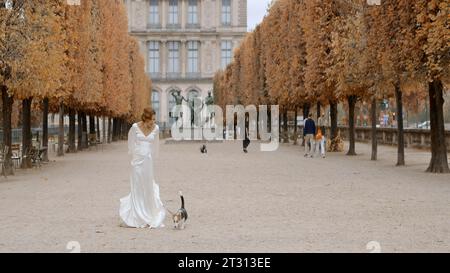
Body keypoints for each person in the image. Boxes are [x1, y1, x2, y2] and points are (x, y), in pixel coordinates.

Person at [119, 108, 166, 229]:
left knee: (147, 186)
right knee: (137, 186)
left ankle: (148, 211)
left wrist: (149, 156)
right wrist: (136, 155)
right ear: (146, 118)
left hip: (147, 162)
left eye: (155, 119)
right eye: (153, 119)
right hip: (137, 161)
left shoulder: (155, 129)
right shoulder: (135, 127)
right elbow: (131, 144)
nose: (154, 122)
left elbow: (155, 147)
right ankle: (136, 214)